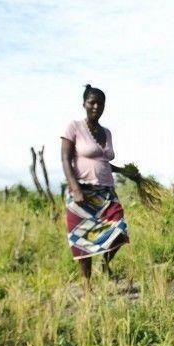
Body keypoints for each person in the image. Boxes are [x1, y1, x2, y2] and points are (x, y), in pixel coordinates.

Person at [61, 84, 140, 281]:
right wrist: (75, 188)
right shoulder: (74, 127)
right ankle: (87, 286)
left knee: (119, 230)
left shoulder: (107, 132)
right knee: (83, 239)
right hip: (82, 191)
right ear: (84, 104)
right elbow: (65, 158)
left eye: (100, 103)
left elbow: (103, 162)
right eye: (92, 102)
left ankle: (105, 263)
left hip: (106, 192)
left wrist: (126, 172)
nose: (96, 106)